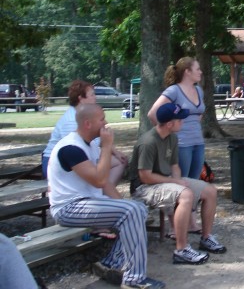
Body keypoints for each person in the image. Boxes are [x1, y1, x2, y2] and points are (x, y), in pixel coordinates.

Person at [48, 104, 164, 289]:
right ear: (88, 123)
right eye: (102, 119)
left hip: (88, 203)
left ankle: (110, 263)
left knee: (138, 209)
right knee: (132, 210)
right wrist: (107, 146)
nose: (106, 123)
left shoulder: (90, 144)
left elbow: (105, 185)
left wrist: (125, 206)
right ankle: (134, 280)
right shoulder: (71, 148)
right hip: (68, 208)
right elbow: (99, 181)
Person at [130, 102, 226, 264]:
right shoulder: (148, 142)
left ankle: (206, 237)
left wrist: (178, 181)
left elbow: (174, 166)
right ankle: (181, 250)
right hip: (144, 187)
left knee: (210, 191)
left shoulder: (172, 137)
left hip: (164, 181)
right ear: (169, 124)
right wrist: (175, 183)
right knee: (186, 195)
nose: (183, 122)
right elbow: (145, 177)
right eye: (180, 120)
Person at [42, 80, 128, 181]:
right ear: (81, 98)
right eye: (92, 95)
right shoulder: (71, 121)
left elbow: (96, 140)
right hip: (58, 164)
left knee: (119, 162)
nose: (95, 97)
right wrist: (106, 149)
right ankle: (100, 193)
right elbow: (72, 152)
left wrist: (115, 152)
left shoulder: (88, 116)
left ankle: (102, 194)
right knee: (99, 174)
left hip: (83, 156)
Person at [148, 57, 205, 182]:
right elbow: (152, 114)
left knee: (195, 182)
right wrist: (167, 132)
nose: (200, 72)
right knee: (181, 182)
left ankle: (192, 202)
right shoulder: (174, 91)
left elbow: (199, 114)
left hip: (198, 143)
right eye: (198, 69)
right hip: (181, 144)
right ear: (187, 71)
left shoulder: (199, 91)